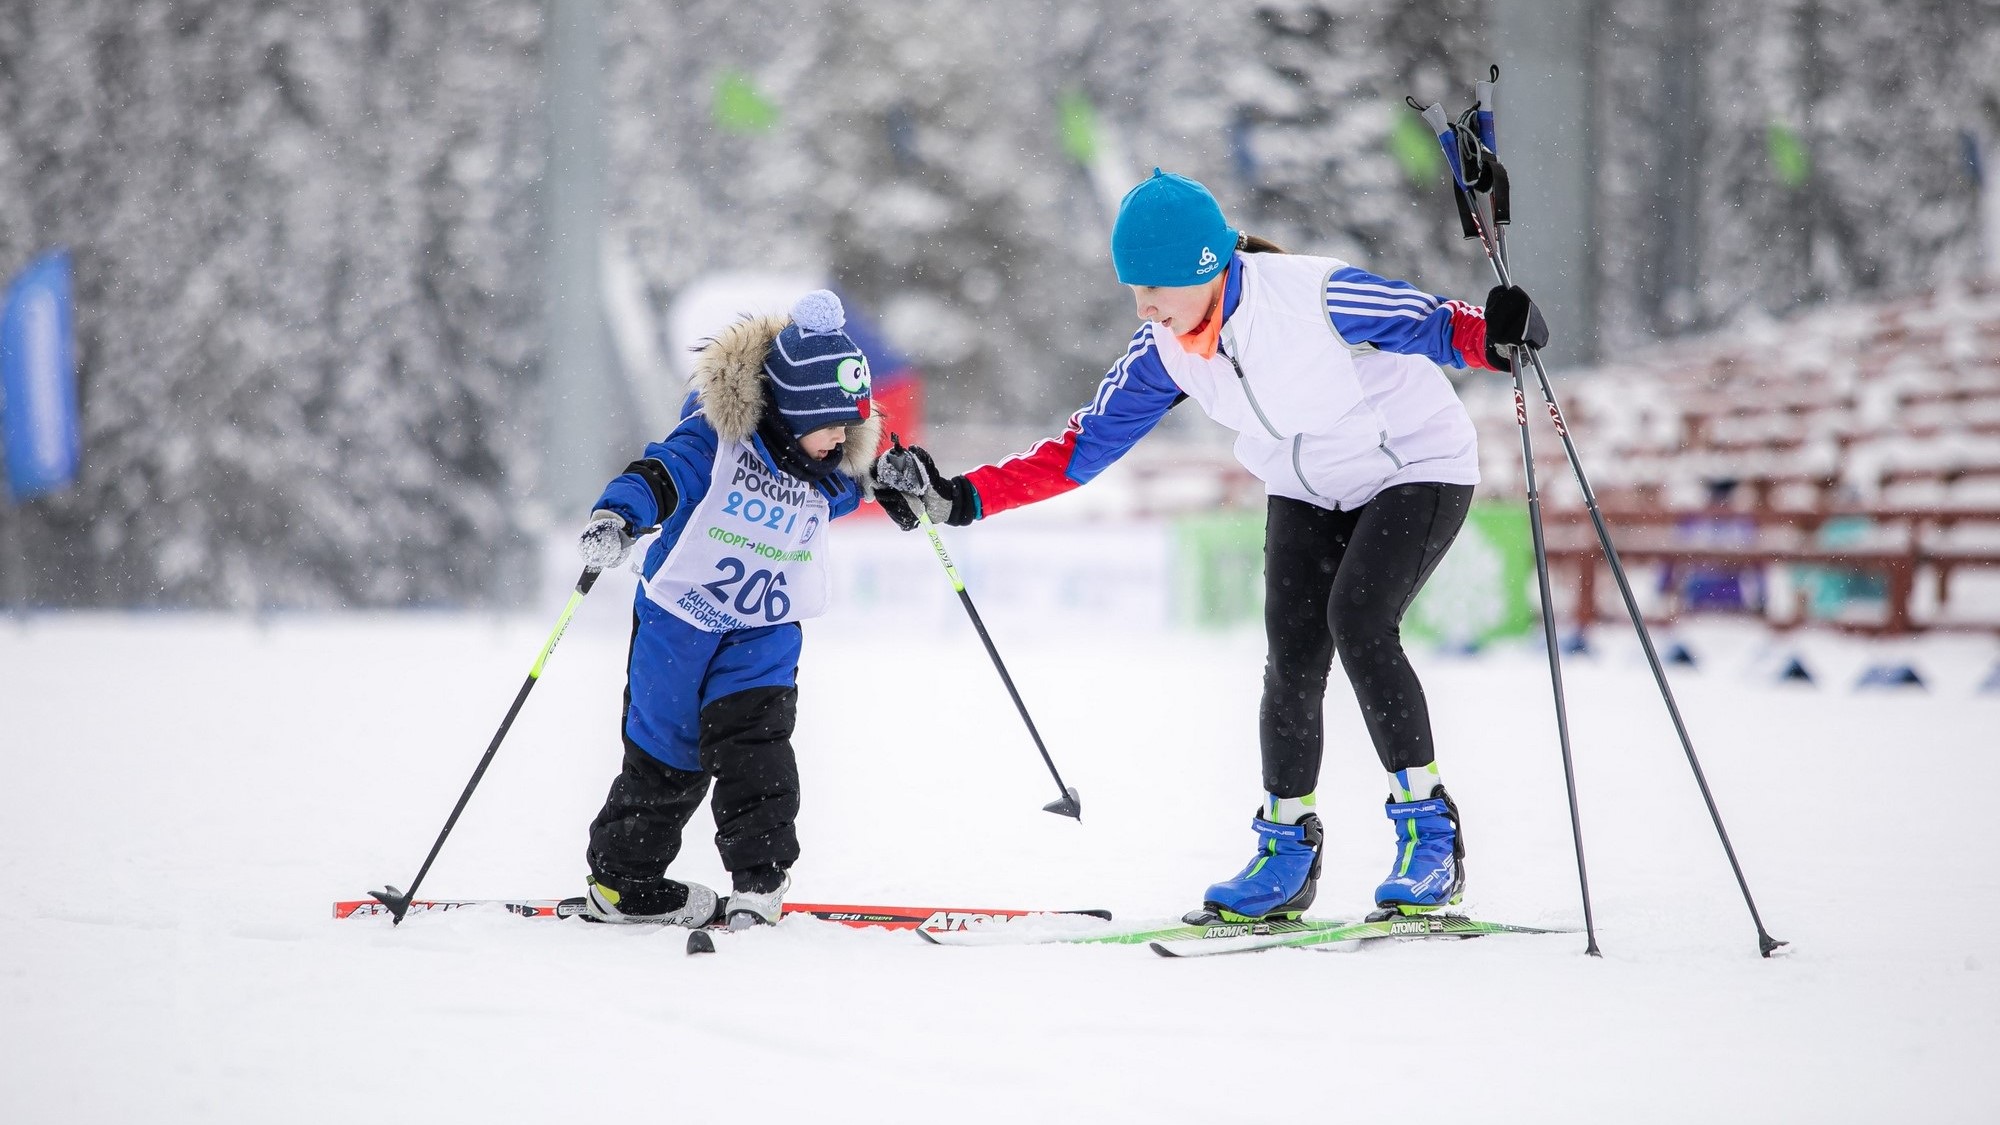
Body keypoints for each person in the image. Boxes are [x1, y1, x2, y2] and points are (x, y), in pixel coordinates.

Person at [873, 170, 1548, 923]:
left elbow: (1426, 320)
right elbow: (1080, 448)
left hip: (1415, 467)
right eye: (1133, 289)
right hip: (1305, 483)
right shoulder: (1165, 349)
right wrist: (959, 497)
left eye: (1154, 285)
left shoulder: (1311, 296)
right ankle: (1286, 848)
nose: (1144, 305)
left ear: (1205, 266)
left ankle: (1429, 835)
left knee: (1358, 621)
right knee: (1291, 654)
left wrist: (1492, 334)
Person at [574, 290, 880, 927]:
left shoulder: (821, 465)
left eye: (849, 425)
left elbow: (852, 492)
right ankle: (623, 886)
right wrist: (619, 514)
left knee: (756, 746)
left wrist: (896, 482)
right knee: (667, 755)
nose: (840, 438)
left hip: (763, 625)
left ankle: (758, 885)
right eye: (830, 423)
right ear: (793, 408)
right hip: (680, 619)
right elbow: (663, 473)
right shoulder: (717, 440)